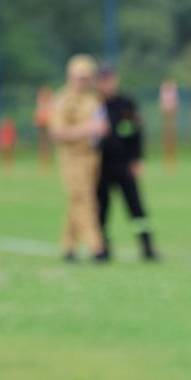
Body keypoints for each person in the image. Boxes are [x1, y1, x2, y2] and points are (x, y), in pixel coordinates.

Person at [94, 64, 156, 263]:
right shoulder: (93, 104)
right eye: (102, 79)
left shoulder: (126, 103)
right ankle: (103, 248)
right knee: (102, 208)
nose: (106, 83)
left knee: (136, 207)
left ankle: (147, 246)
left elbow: (136, 133)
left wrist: (137, 159)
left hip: (123, 163)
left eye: (109, 79)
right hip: (100, 165)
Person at [49, 55, 108, 262]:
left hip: (92, 157)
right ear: (70, 77)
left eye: (87, 77)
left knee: (78, 200)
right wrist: (86, 130)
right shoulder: (63, 99)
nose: (83, 81)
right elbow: (57, 133)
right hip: (71, 157)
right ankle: (97, 246)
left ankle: (68, 246)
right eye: (79, 77)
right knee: (85, 200)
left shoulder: (93, 99)